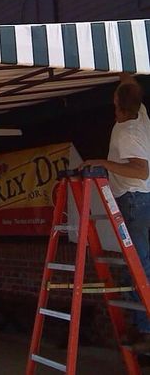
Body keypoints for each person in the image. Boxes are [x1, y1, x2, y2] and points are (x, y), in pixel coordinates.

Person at [83, 72, 150, 351]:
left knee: (139, 263)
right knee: (135, 262)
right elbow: (129, 86)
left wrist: (103, 163)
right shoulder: (140, 113)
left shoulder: (128, 133)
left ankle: (145, 329)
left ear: (117, 104)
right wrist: (122, 64)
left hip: (134, 199)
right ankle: (139, 325)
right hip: (136, 199)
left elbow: (141, 170)